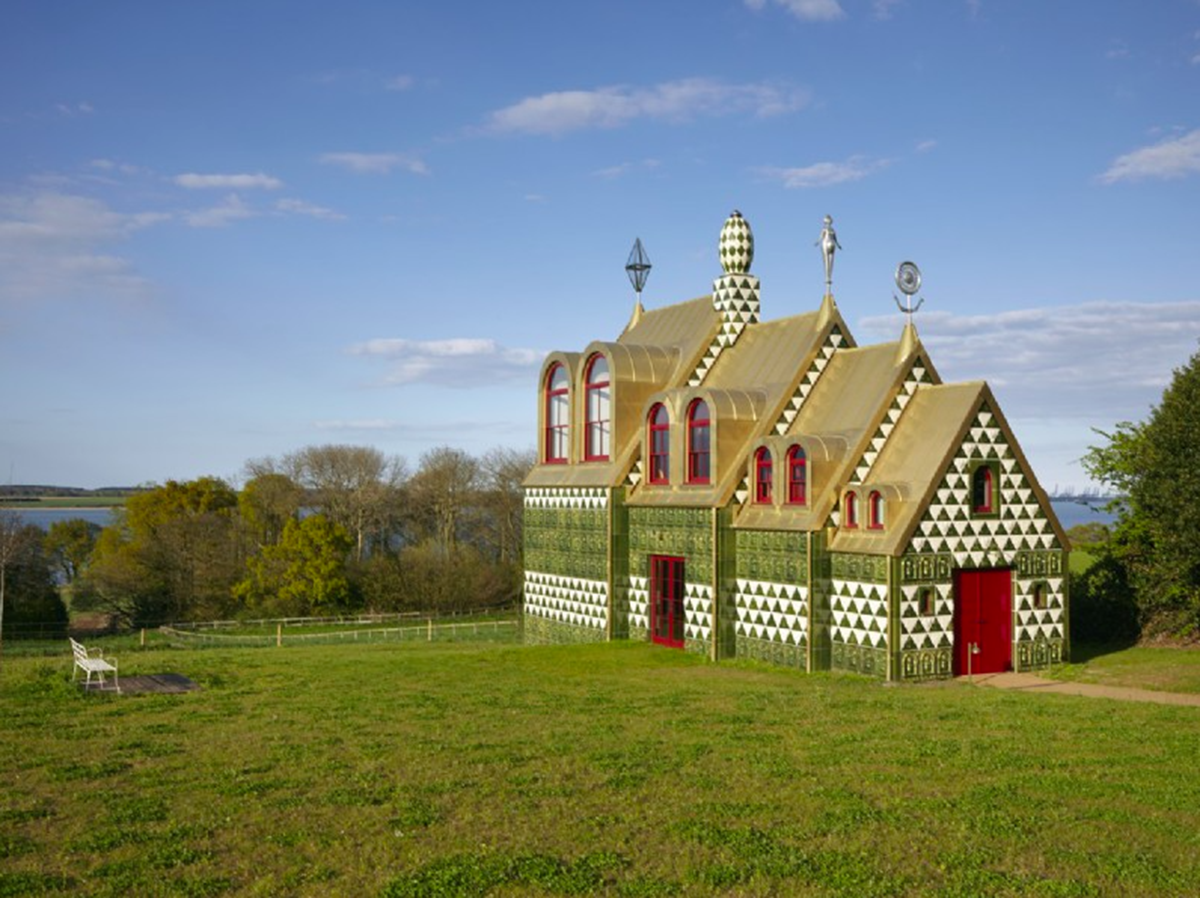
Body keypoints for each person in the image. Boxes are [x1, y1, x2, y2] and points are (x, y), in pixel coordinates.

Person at [815, 215, 842, 290]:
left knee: (826, 261)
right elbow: (836, 240)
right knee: (830, 262)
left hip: (826, 244)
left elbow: (821, 237)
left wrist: (817, 242)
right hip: (832, 244)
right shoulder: (832, 230)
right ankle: (828, 278)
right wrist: (838, 245)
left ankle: (828, 278)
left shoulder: (825, 229)